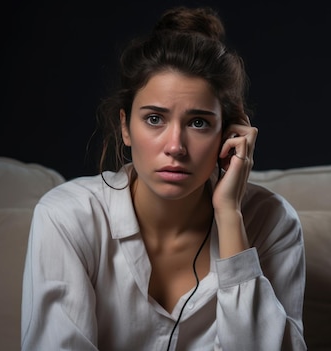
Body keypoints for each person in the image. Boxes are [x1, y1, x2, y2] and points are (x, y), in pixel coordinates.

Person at [20, 6, 306, 350]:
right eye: (155, 119)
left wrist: (230, 216)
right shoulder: (67, 217)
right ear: (125, 127)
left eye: (198, 123)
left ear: (229, 135)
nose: (175, 147)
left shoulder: (273, 222)